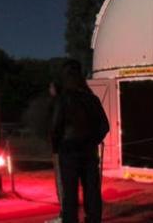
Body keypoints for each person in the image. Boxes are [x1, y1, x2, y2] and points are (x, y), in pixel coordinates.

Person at [50, 60, 109, 223]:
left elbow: (55, 126)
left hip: (68, 152)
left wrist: (56, 147)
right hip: (88, 152)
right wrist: (92, 141)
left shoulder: (63, 100)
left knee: (70, 194)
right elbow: (105, 126)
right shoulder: (92, 99)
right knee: (92, 191)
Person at [45, 80, 64, 223]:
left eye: (51, 86)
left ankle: (65, 215)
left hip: (60, 148)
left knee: (61, 182)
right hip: (68, 147)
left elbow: (55, 126)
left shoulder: (57, 104)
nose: (49, 89)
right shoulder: (67, 102)